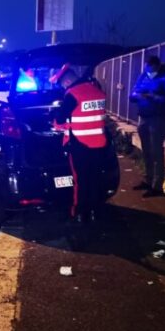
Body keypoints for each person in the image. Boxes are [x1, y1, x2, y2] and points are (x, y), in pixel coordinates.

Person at [52, 64, 109, 224]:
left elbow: (60, 120)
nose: (64, 87)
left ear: (68, 80)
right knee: (96, 178)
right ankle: (96, 211)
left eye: (63, 84)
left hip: (80, 145)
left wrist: (56, 120)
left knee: (81, 181)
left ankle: (79, 212)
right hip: (100, 144)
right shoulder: (98, 92)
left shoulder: (72, 94)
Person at [130, 55, 165, 197]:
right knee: (146, 150)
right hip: (143, 116)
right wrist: (136, 95)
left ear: (157, 66)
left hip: (157, 117)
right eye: (146, 68)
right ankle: (148, 180)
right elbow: (133, 93)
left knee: (156, 151)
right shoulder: (143, 75)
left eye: (150, 69)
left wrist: (157, 97)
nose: (148, 71)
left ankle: (157, 186)